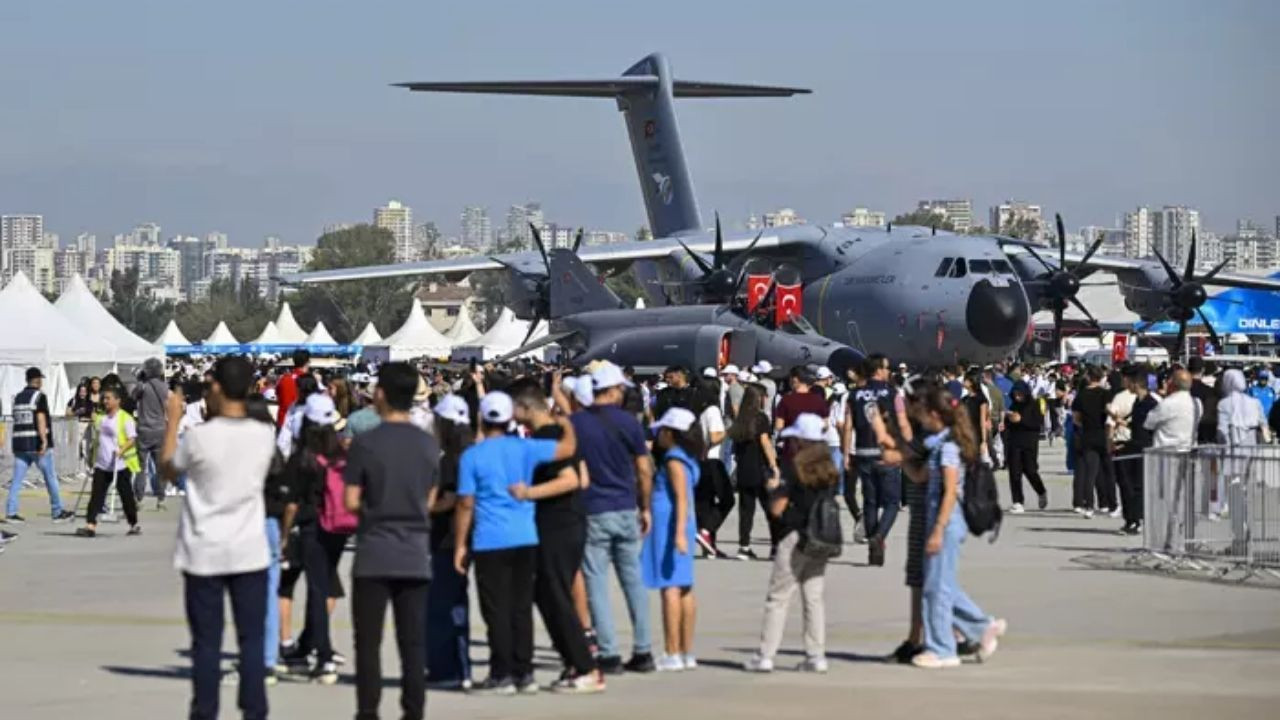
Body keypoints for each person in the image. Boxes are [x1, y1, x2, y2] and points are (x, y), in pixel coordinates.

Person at [161, 355, 277, 720]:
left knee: (207, 643)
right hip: (248, 551)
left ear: (215, 388)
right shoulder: (263, 437)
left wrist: (173, 421)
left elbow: (167, 470)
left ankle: (205, 711)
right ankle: (254, 710)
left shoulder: (199, 438)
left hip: (204, 552)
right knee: (251, 641)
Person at [454, 390, 576, 695]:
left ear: (481, 418)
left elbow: (466, 504)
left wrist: (459, 544)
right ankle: (525, 672)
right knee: (521, 607)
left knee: (497, 610)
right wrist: (568, 419)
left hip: (490, 539)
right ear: (510, 418)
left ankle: (502, 673)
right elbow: (567, 449)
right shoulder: (526, 447)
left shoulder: (472, 455)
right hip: (524, 535)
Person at [344, 362, 441, 720]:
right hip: (415, 552)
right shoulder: (427, 444)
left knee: (368, 643)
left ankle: (368, 711)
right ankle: (413, 712)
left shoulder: (366, 443)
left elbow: (351, 500)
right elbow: (430, 499)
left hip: (373, 552)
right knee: (412, 642)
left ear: (380, 395)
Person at [510, 386, 605, 694]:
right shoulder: (559, 435)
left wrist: (529, 493)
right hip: (564, 523)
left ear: (524, 408)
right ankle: (575, 663)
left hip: (558, 526)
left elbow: (572, 480)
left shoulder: (549, 437)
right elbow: (585, 477)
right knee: (547, 594)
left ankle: (587, 668)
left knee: (555, 596)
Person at [907, 386, 1007, 669]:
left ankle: (942, 648)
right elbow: (921, 475)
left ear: (935, 415)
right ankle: (981, 626)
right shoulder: (939, 445)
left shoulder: (949, 448)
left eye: (924, 415)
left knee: (936, 589)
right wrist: (901, 458)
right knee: (941, 583)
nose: (921, 420)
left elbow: (950, 492)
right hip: (941, 518)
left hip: (947, 520)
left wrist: (938, 529)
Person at [572, 362, 657, 675]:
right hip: (624, 506)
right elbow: (644, 469)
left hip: (592, 507)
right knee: (633, 580)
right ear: (612, 390)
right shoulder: (630, 423)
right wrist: (644, 506)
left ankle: (608, 652)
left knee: (595, 581)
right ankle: (643, 649)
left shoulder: (576, 423)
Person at [743, 414, 836, 674]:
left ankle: (765, 655)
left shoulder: (794, 467)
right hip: (820, 536)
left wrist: (774, 488)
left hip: (794, 535)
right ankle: (816, 655)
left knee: (779, 597)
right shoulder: (829, 468)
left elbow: (777, 508)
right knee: (813, 597)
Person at [278, 394, 352, 684]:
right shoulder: (340, 455)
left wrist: (284, 535)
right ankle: (312, 646)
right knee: (322, 588)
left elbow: (292, 504)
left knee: (316, 591)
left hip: (312, 528)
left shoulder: (303, 458)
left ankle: (323, 656)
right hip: (338, 528)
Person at [641, 407, 702, 671]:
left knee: (671, 589)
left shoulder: (674, 461)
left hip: (671, 527)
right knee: (684, 587)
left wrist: (677, 534)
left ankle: (672, 651)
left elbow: (680, 499)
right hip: (681, 526)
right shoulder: (688, 458)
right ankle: (685, 651)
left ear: (671, 433)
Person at [424, 395, 473, 690]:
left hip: (447, 541)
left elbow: (455, 499)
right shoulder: (469, 452)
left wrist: (426, 507)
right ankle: (458, 667)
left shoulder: (453, 460)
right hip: (462, 540)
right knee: (455, 603)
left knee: (442, 607)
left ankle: (449, 669)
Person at [847, 354, 909, 566]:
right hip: (886, 453)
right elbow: (902, 423)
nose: (888, 370)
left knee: (870, 501)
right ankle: (879, 536)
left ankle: (874, 550)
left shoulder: (854, 395)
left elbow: (847, 425)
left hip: (864, 452)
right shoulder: (893, 394)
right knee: (892, 502)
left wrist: (847, 453)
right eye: (886, 367)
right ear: (878, 370)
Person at [7, 367, 73, 523]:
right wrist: (44, 440)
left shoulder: (18, 397)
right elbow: (41, 418)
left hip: (20, 444)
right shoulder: (39, 396)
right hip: (36, 444)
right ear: (37, 380)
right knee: (50, 478)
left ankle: (11, 512)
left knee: (16, 480)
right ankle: (57, 511)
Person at [76, 385, 142, 537]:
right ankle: (90, 525)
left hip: (119, 464)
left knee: (126, 496)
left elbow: (132, 439)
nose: (105, 401)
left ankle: (133, 523)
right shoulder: (101, 418)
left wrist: (122, 450)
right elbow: (97, 439)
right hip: (102, 463)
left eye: (108, 398)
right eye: (104, 398)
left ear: (117, 401)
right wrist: (93, 457)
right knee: (96, 496)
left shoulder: (126, 418)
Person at [728, 384, 780, 561]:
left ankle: (744, 546)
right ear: (759, 398)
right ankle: (775, 546)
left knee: (746, 510)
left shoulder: (740, 420)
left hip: (744, 470)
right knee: (771, 509)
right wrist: (774, 464)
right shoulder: (760, 418)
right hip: (760, 468)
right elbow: (765, 442)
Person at [693, 378, 734, 559]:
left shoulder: (698, 410)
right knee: (727, 499)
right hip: (712, 460)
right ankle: (706, 531)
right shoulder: (712, 410)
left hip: (700, 461)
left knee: (706, 504)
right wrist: (729, 430)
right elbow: (715, 436)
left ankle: (709, 545)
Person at [1115, 368, 1158, 535]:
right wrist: (1124, 424)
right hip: (1134, 444)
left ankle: (1138, 519)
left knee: (1138, 485)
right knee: (1127, 483)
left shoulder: (1151, 404)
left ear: (1137, 384)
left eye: (1131, 382)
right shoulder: (1137, 402)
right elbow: (1138, 425)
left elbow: (1151, 427)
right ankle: (1130, 518)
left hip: (1145, 447)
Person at [1070, 366, 1113, 518]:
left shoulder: (1081, 395)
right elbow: (1109, 411)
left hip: (1088, 434)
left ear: (1088, 377)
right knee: (1106, 470)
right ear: (1101, 377)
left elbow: (1076, 418)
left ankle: (1088, 505)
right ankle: (1107, 503)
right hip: (1102, 433)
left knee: (1090, 471)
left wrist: (1085, 423)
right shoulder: (1105, 394)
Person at [131, 357, 170, 508]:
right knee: (159, 466)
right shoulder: (164, 387)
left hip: (144, 428)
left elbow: (133, 396)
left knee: (141, 466)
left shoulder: (143, 386)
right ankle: (161, 499)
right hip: (160, 429)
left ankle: (138, 498)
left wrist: (139, 379)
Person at [1004, 381, 1047, 513]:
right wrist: (1009, 419)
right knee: (1014, 472)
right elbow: (1008, 424)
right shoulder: (1014, 405)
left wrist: (1021, 420)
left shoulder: (1034, 405)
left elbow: (1038, 423)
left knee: (1030, 470)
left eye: (1020, 395)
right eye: (1015, 395)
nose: (1017, 397)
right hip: (1015, 442)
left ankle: (1041, 491)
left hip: (1029, 442)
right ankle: (1018, 501)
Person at [774, 366, 828, 460]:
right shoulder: (819, 400)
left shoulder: (786, 400)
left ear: (795, 379)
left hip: (792, 451)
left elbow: (779, 426)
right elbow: (825, 426)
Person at [1144, 369, 1199, 449]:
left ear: (1172, 383)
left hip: (1166, 454)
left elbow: (1148, 423)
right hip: (1188, 451)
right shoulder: (1197, 403)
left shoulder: (1167, 403)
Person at [276, 349, 312, 427]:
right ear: (307, 362)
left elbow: (278, 396)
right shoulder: (310, 381)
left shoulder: (283, 379)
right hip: (300, 424)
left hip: (283, 422)